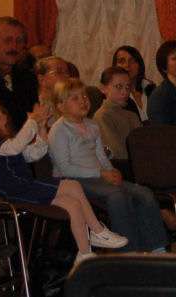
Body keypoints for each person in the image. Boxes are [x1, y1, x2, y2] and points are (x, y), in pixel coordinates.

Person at [0, 98, 128, 264]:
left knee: (73, 205)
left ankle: (84, 253)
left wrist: (41, 127)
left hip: (23, 187)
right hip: (17, 190)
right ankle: (97, 230)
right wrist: (32, 120)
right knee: (73, 185)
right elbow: (16, 147)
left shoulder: (6, 144)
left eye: (2, 112)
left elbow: (33, 154)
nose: (4, 116)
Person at [47, 78, 168, 253]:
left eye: (84, 96)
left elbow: (100, 156)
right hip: (74, 181)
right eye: (75, 98)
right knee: (117, 196)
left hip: (98, 176)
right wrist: (101, 173)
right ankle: (128, 251)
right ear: (60, 106)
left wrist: (111, 170)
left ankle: (156, 247)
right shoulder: (59, 130)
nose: (83, 101)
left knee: (144, 193)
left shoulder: (92, 125)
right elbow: (65, 168)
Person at [93, 66, 142, 161]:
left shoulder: (132, 116)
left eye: (127, 87)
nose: (125, 92)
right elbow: (117, 153)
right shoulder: (102, 116)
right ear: (103, 88)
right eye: (119, 87)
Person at [112, 45, 154, 122]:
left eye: (132, 61)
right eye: (122, 61)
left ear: (139, 65)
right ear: (114, 66)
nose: (127, 65)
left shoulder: (151, 88)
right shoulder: (112, 96)